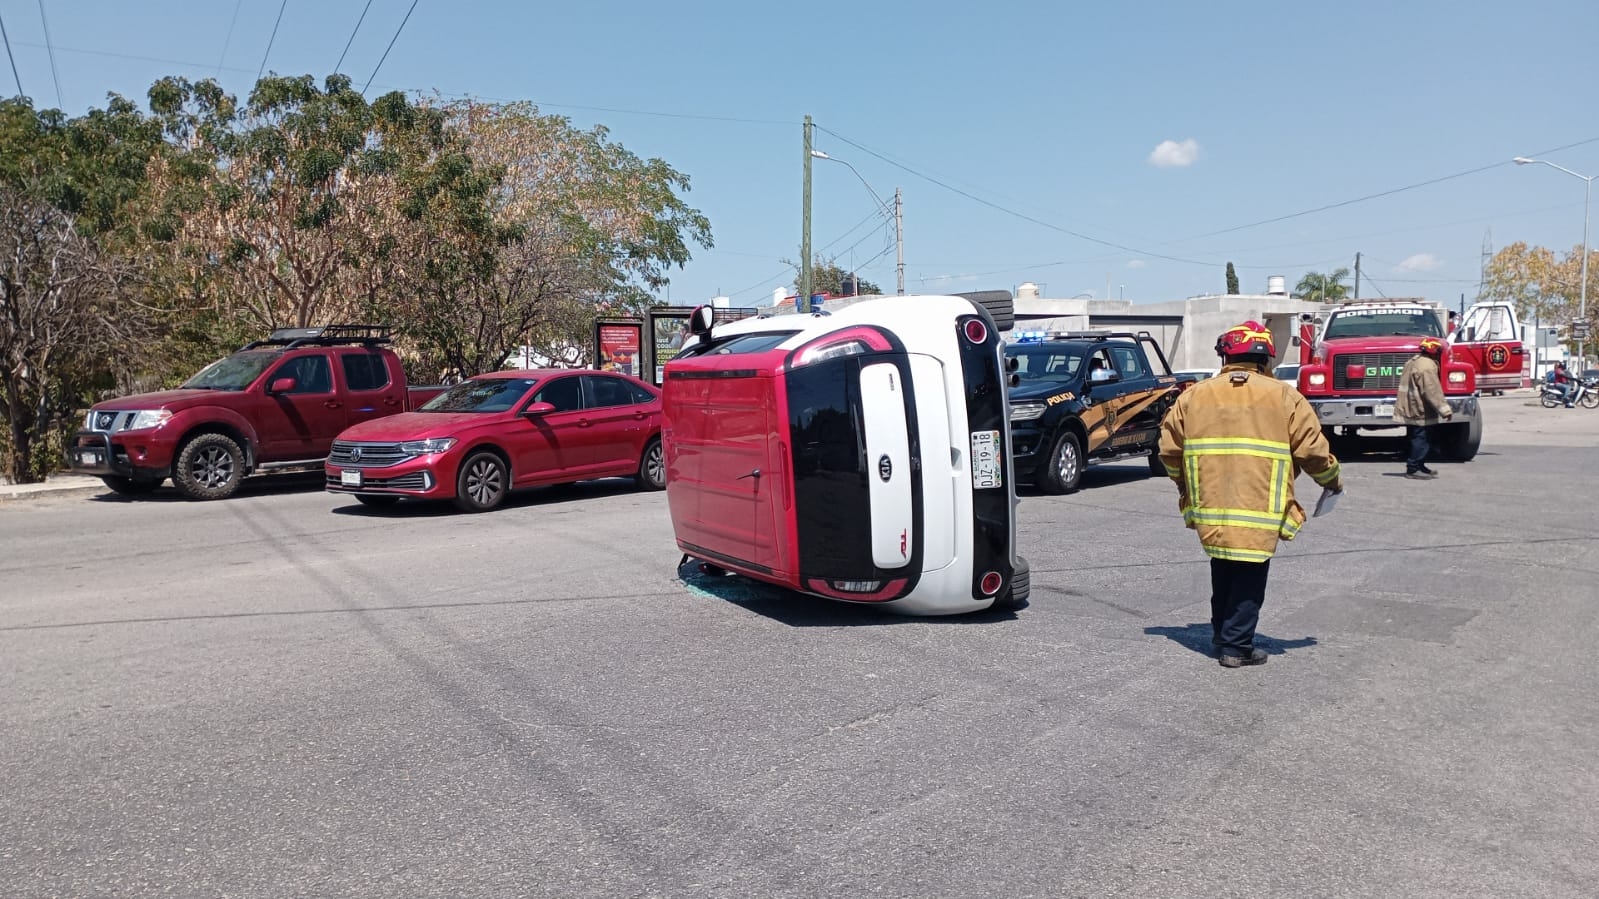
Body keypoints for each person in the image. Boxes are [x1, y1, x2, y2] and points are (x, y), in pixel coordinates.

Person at [1158, 321, 1343, 669]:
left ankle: (1223, 634)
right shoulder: (1286, 397)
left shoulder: (1194, 396)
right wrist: (1332, 480)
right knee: (1248, 576)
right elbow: (1314, 453)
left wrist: (1184, 486)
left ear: (1226, 353)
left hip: (1210, 509)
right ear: (1266, 357)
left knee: (1223, 568)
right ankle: (1236, 646)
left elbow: (1169, 451)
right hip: (1260, 509)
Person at [1394, 337, 1453, 478]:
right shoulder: (1426, 366)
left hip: (1411, 407)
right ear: (1435, 352)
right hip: (1419, 409)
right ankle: (1413, 468)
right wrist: (1445, 410)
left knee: (1417, 437)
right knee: (1421, 439)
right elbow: (1431, 390)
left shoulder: (1414, 361)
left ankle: (1420, 465)